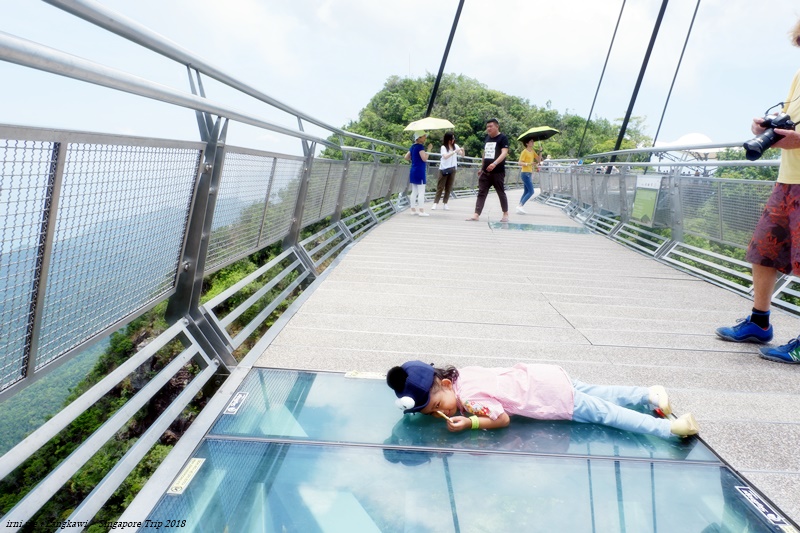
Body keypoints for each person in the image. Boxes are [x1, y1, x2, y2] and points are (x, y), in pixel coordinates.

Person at [715, 20, 800, 364]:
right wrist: (767, 126)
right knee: (763, 250)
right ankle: (759, 322)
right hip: (788, 179)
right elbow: (790, 120)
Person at [387, 360, 699, 438]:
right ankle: (648, 394)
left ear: (445, 384)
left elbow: (501, 419)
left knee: (605, 413)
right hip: (544, 375)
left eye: (438, 406)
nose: (439, 413)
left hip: (549, 396)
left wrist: (470, 423)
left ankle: (668, 429)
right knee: (597, 392)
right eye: (431, 413)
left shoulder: (468, 400)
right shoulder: (463, 376)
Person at [467, 118, 510, 222]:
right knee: (481, 192)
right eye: (487, 127)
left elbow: (504, 153)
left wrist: (495, 163)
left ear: (497, 126)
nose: (488, 129)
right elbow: (485, 154)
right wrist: (482, 168)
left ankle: (505, 213)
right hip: (485, 172)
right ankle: (476, 214)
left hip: (498, 171)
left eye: (491, 126)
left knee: (500, 192)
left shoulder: (503, 138)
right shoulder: (487, 138)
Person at [432, 132, 464, 210]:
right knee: (440, 186)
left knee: (448, 187)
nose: (453, 140)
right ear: (448, 139)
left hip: (453, 168)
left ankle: (445, 203)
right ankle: (435, 203)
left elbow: (462, 155)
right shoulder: (443, 147)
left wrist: (462, 150)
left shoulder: (455, 146)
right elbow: (445, 156)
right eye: (452, 138)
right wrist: (454, 152)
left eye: (453, 138)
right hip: (444, 168)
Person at [404, 130, 429, 217]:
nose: (425, 138)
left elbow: (406, 157)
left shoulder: (413, 146)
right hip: (420, 171)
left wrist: (414, 158)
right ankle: (421, 211)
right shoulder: (420, 147)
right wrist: (429, 150)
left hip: (413, 170)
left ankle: (413, 209)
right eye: (424, 136)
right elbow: (424, 159)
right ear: (419, 138)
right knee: (421, 191)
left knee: (414, 191)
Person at [516, 138, 541, 214]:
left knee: (526, 191)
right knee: (531, 191)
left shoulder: (532, 151)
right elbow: (519, 163)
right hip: (525, 173)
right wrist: (528, 164)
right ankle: (520, 206)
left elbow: (539, 160)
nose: (533, 142)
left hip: (529, 173)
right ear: (527, 143)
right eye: (531, 141)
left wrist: (540, 151)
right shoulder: (524, 152)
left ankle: (519, 207)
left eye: (533, 141)